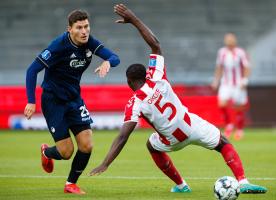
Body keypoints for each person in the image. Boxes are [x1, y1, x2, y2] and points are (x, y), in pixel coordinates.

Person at [90, 4, 267, 195]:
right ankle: (243, 181)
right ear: (145, 74)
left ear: (129, 81)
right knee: (223, 143)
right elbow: (155, 44)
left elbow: (123, 136)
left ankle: (182, 185)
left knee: (151, 145)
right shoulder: (156, 76)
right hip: (190, 125)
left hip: (171, 140)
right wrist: (133, 19)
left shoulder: (135, 103)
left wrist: (105, 163)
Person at [24, 10, 120, 194]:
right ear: (70, 29)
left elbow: (115, 57)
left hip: (74, 99)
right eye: (79, 27)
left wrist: (108, 62)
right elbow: (31, 71)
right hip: (53, 100)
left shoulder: (90, 42)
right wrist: (31, 101)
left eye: (86, 27)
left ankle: (70, 184)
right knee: (66, 152)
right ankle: (47, 152)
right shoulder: (58, 47)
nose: (84, 31)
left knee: (87, 144)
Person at [211, 33, 250, 140]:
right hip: (226, 83)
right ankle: (229, 125)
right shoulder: (222, 52)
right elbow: (219, 67)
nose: (229, 41)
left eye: (231, 39)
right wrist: (216, 81)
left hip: (238, 84)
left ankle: (239, 129)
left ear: (235, 40)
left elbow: (247, 67)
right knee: (222, 104)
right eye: (227, 39)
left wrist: (245, 80)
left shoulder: (240, 52)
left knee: (238, 107)